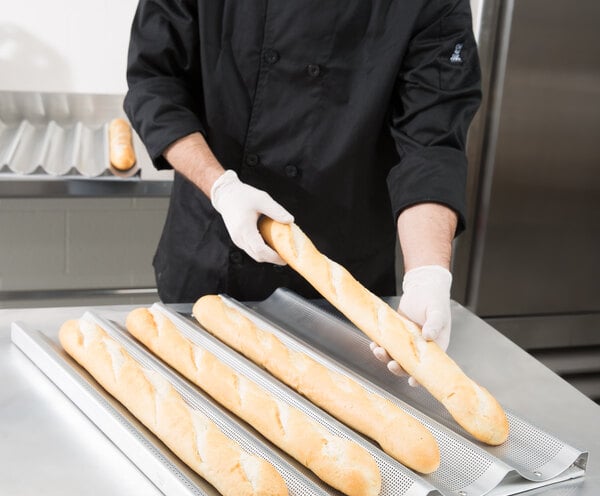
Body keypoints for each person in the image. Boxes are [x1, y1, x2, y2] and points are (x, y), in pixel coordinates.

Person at [124, 0, 481, 377]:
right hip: (211, 259)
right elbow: (155, 81)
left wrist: (427, 274)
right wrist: (221, 187)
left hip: (345, 287)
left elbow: (432, 139)